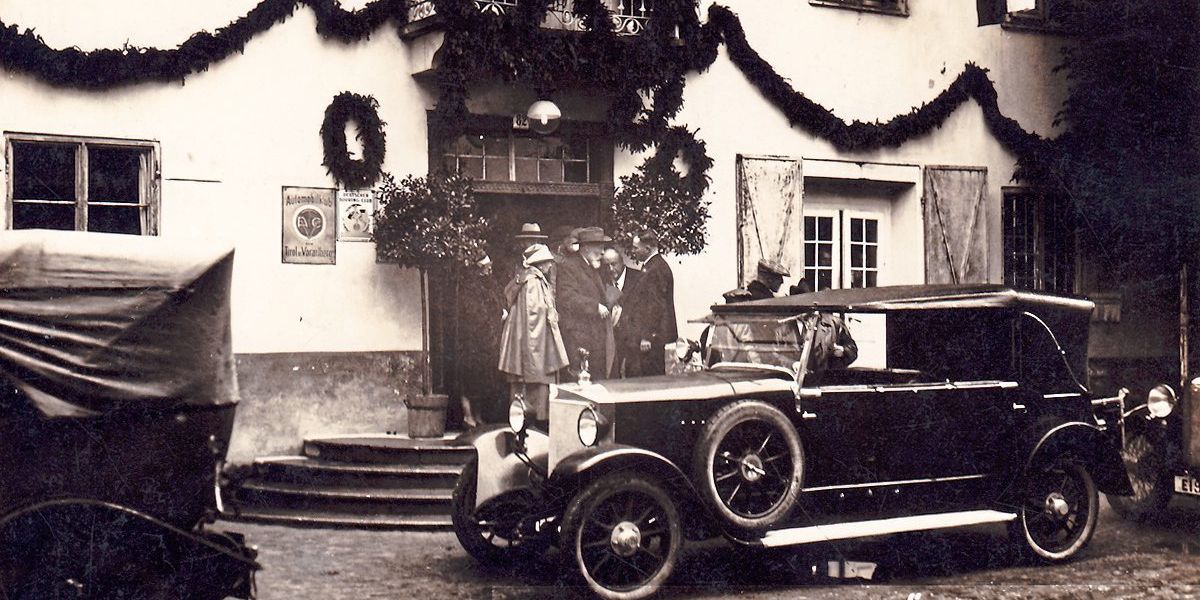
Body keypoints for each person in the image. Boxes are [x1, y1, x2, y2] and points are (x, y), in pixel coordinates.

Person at [497, 244, 569, 424]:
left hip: (528, 340)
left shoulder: (528, 279)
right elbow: (533, 318)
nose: (550, 266)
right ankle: (535, 421)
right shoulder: (533, 282)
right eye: (547, 262)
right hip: (534, 343)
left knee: (527, 386)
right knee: (533, 385)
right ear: (540, 263)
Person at [556, 227, 612, 380]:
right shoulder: (569, 266)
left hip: (594, 336)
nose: (602, 252)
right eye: (599, 247)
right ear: (586, 248)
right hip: (579, 338)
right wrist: (595, 307)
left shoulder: (593, 267)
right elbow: (567, 297)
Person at [629, 229, 677, 376]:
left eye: (636, 248)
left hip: (652, 339)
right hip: (651, 338)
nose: (633, 251)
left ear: (648, 248)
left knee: (651, 377)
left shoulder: (655, 269)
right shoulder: (652, 266)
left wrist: (647, 336)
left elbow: (655, 305)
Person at [602, 246, 643, 378]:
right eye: (606, 265)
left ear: (622, 262)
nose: (610, 269)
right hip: (613, 340)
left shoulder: (639, 278)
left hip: (635, 340)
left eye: (614, 264)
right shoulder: (602, 281)